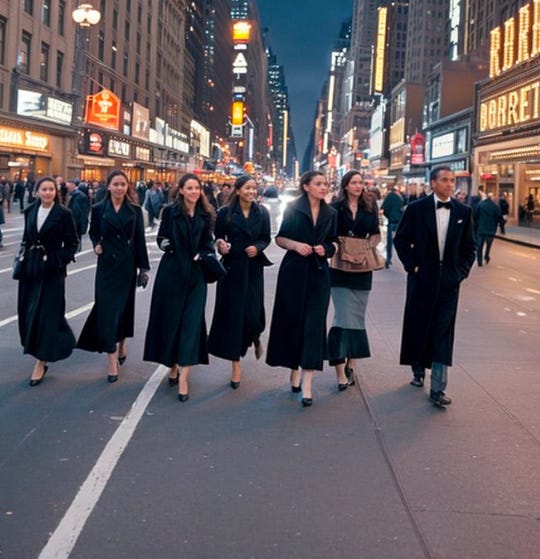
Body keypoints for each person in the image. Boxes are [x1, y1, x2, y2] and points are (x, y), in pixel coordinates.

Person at [394, 166, 476, 407]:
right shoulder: (416, 209)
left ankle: (438, 387)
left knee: (443, 331)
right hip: (422, 279)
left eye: (452, 181)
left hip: (450, 282)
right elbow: (401, 240)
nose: (450, 184)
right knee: (419, 324)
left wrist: (460, 273)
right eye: (445, 180)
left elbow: (470, 247)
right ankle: (417, 369)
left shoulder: (464, 211)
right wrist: (413, 267)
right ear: (432, 183)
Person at [266, 171, 338, 407]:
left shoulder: (331, 212)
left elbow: (335, 243)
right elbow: (280, 238)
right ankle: (293, 368)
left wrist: (326, 249)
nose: (323, 187)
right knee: (293, 322)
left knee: (314, 326)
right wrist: (296, 245)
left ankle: (307, 383)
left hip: (319, 273)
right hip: (293, 273)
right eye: (318, 184)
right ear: (306, 186)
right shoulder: (294, 208)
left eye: (325, 184)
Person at [143, 173, 215, 402]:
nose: (194, 192)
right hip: (172, 273)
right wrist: (166, 244)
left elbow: (208, 243)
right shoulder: (170, 212)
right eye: (190, 188)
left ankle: (184, 375)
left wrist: (204, 254)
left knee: (192, 324)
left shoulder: (206, 214)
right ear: (181, 190)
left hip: (196, 275)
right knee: (171, 320)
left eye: (197, 188)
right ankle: (172, 364)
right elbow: (161, 238)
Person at [77, 170, 150, 383]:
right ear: (108, 186)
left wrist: (143, 269)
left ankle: (122, 342)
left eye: (123, 184)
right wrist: (96, 244)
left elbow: (140, 240)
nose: (119, 188)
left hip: (127, 265)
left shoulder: (135, 210)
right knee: (107, 309)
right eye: (115, 184)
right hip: (107, 264)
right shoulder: (99, 209)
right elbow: (93, 232)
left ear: (128, 187)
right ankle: (111, 358)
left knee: (124, 308)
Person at [208, 175, 272, 389]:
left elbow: (266, 237)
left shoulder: (262, 212)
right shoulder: (225, 213)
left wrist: (258, 247)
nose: (251, 192)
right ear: (237, 191)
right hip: (232, 268)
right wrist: (220, 245)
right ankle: (236, 365)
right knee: (233, 317)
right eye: (247, 188)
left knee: (254, 314)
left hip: (253, 268)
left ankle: (254, 335)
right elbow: (218, 237)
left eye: (254, 188)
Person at [16, 176, 79, 386]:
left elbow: (72, 244)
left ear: (56, 192)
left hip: (52, 271)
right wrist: (25, 258)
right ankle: (43, 346)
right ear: (37, 192)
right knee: (28, 310)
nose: (48, 193)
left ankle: (41, 361)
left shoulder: (63, 214)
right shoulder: (30, 211)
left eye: (51, 189)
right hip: (31, 269)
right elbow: (26, 238)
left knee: (47, 313)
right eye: (44, 189)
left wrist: (54, 260)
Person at [328, 171, 380, 389]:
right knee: (342, 317)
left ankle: (352, 362)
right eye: (354, 182)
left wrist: (366, 247)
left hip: (363, 268)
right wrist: (340, 247)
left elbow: (376, 233)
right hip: (340, 266)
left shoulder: (370, 206)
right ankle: (339, 368)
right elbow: (328, 233)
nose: (359, 186)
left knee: (357, 317)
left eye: (361, 182)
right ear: (346, 185)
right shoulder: (335, 206)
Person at [475, 193, 502, 266]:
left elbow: (476, 215)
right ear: (491, 198)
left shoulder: (480, 205)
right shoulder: (494, 206)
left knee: (479, 246)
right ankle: (486, 256)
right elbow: (498, 216)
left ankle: (479, 262)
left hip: (481, 229)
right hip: (491, 229)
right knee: (488, 245)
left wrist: (476, 225)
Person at [381, 184, 403, 268]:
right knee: (398, 241)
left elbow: (384, 208)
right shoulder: (399, 198)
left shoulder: (389, 197)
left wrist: (386, 215)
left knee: (388, 242)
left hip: (390, 222)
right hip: (399, 222)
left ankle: (388, 258)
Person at [65, 179, 90, 249]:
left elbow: (76, 211)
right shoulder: (76, 195)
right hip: (78, 221)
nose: (67, 188)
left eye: (68, 186)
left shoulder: (77, 196)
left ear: (73, 185)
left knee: (75, 238)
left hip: (76, 221)